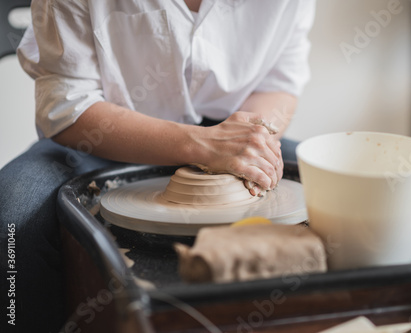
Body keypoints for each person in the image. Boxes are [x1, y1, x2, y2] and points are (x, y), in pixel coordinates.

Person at [0, 0, 315, 332]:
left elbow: (278, 85)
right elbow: (67, 105)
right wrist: (203, 146)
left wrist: (252, 143)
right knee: (12, 218)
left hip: (233, 127)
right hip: (106, 131)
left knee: (339, 187)